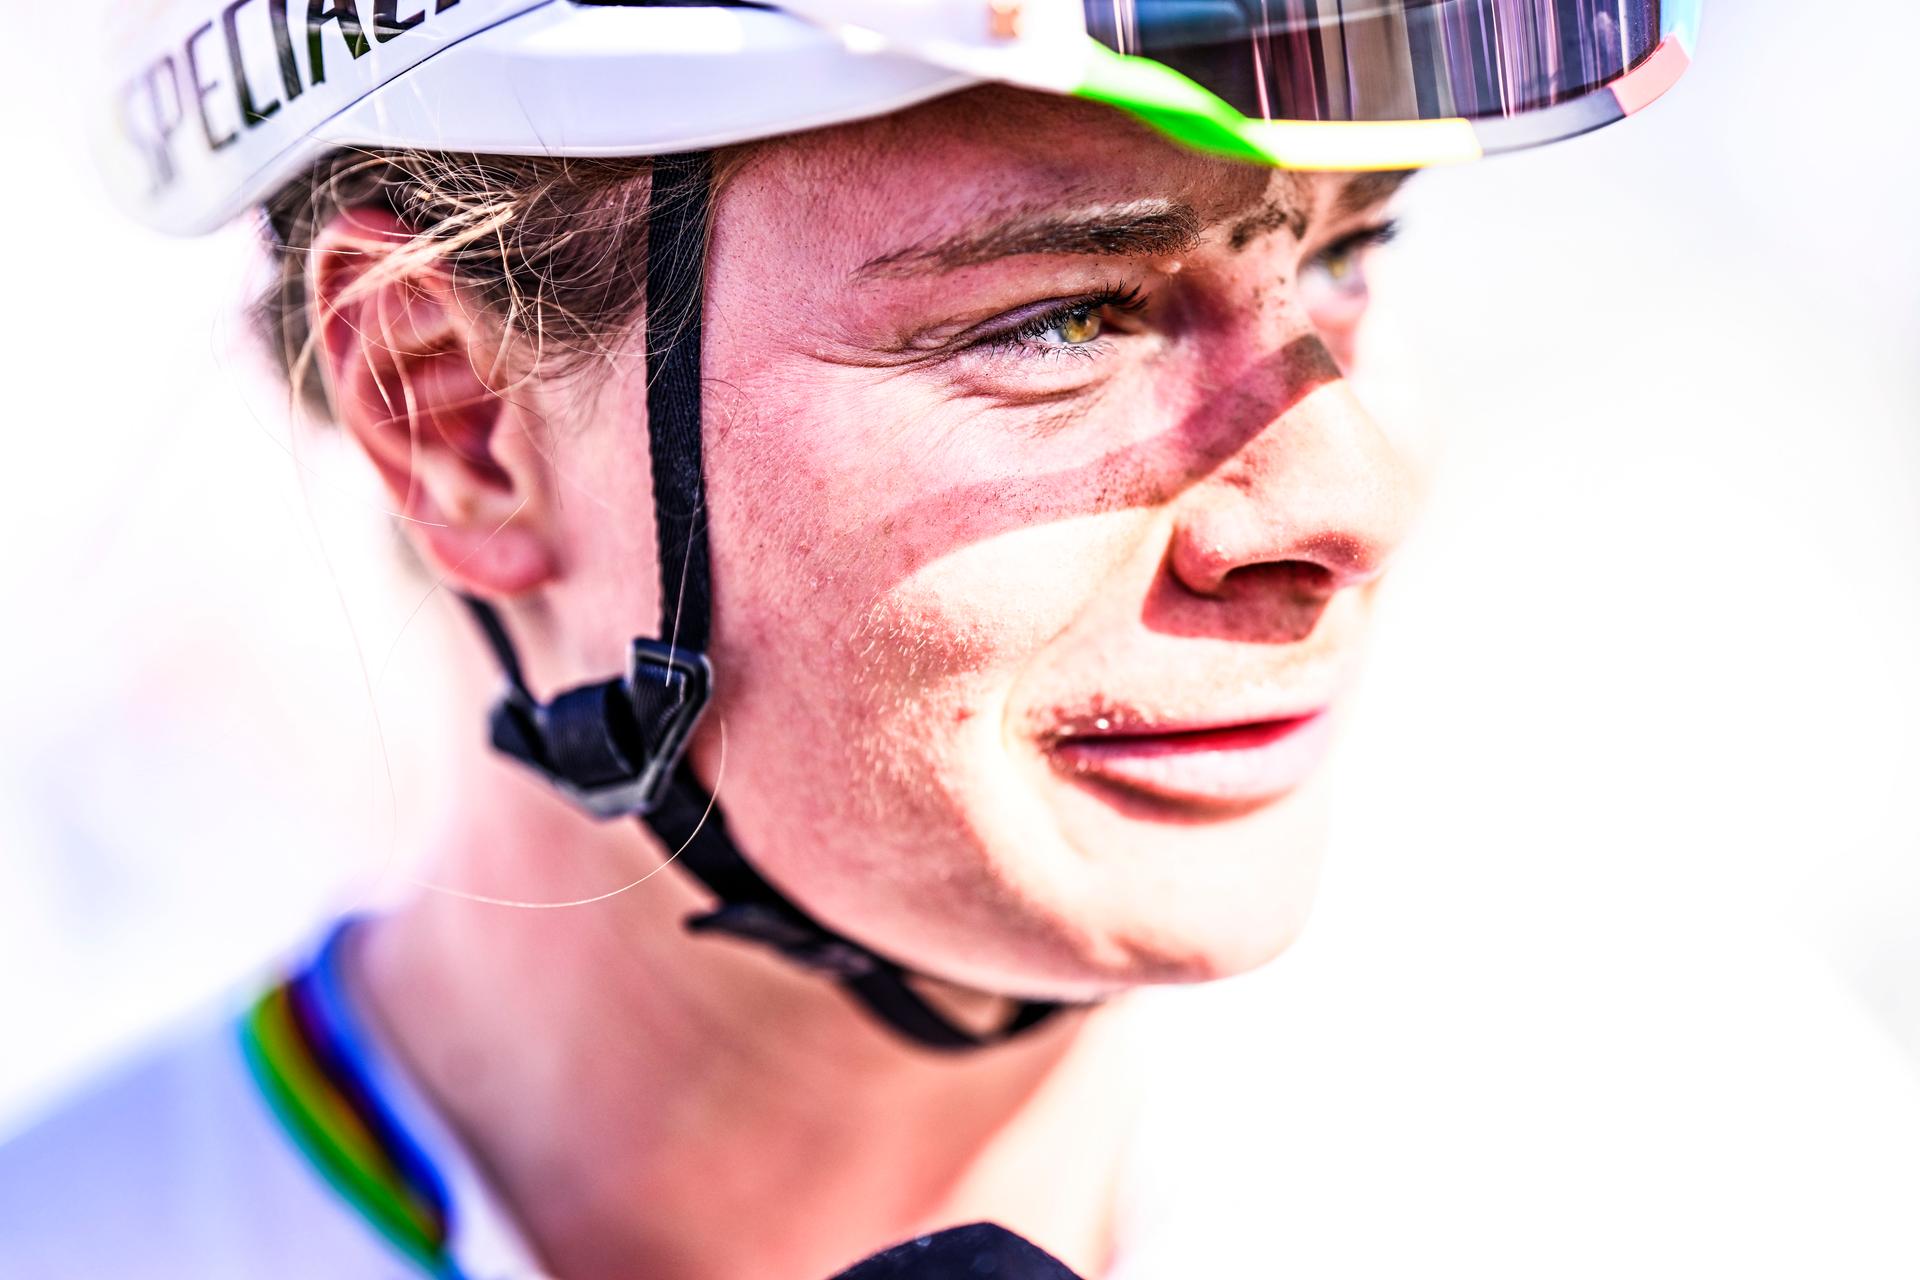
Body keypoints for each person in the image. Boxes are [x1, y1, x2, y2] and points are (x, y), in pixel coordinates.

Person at [0, 2, 1698, 1276]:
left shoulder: (1677, 1181)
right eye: (1063, 319)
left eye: (1347, 254)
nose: (1350, 496)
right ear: (455, 418)